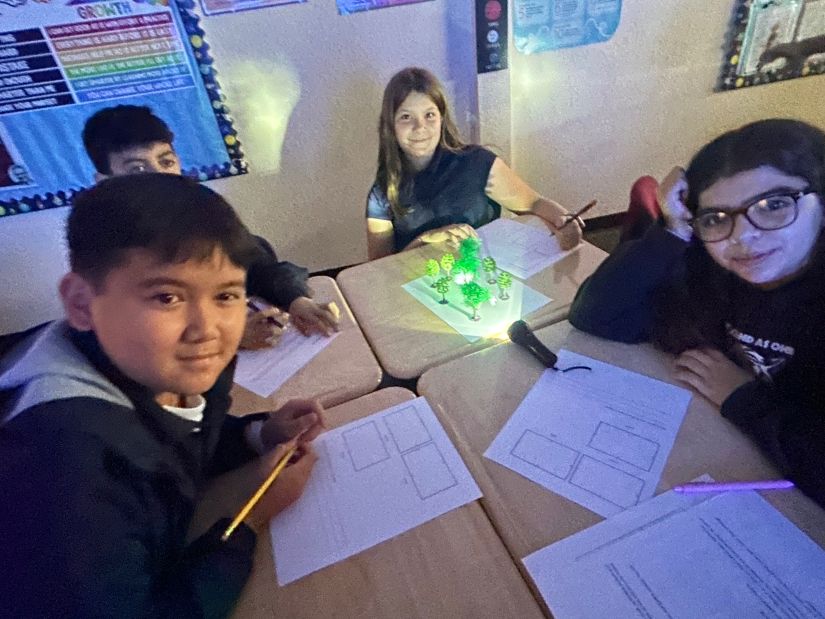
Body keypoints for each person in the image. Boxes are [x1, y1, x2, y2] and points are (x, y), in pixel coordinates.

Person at [0, 174, 323, 616]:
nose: (207, 329)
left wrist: (259, 434)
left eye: (226, 295)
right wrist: (248, 520)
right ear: (81, 303)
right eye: (167, 297)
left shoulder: (142, 366)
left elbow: (173, 441)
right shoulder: (63, 470)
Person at [569, 118, 825, 507]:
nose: (742, 236)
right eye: (716, 217)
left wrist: (743, 398)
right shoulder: (711, 270)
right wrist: (671, 229)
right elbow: (598, 315)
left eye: (774, 205)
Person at [82, 105, 339, 349]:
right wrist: (229, 338)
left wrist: (295, 299)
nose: (160, 176)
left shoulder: (201, 209)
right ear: (105, 181)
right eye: (138, 169)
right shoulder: (103, 247)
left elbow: (257, 264)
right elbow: (132, 334)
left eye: (166, 162)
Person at [365, 67, 583, 260]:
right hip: (419, 284)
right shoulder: (382, 192)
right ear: (390, 125)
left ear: (442, 118)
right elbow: (378, 269)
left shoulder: (477, 163)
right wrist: (426, 239)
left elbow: (534, 203)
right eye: (406, 117)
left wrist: (562, 219)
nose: (420, 127)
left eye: (429, 115)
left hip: (484, 276)